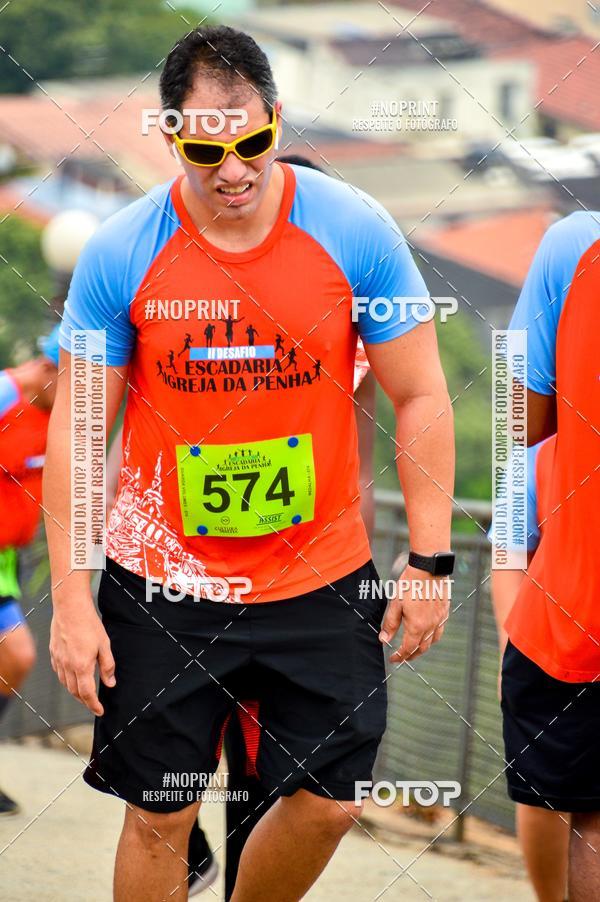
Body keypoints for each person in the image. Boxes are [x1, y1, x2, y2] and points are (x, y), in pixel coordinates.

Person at [44, 25, 454, 902]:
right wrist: (73, 599)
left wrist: (429, 560)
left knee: (331, 802)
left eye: (251, 141)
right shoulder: (124, 248)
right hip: (164, 584)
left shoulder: (354, 230)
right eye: (204, 146)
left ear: (276, 118)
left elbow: (421, 395)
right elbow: (79, 429)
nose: (232, 168)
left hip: (322, 576)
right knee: (161, 810)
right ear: (169, 135)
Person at [502, 210, 600, 902]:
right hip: (570, 602)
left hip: (570, 601)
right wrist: (511, 569)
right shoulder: (575, 248)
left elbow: (520, 427)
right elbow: (520, 432)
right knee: (578, 804)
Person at [490, 437, 570, 902]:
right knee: (545, 787)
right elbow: (509, 550)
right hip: (553, 647)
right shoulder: (541, 459)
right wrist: (512, 650)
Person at [0, 327, 59, 814]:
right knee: (17, 651)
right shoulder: (5, 397)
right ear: (47, 368)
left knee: (15, 659)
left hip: (6, 561)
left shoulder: (55, 413)